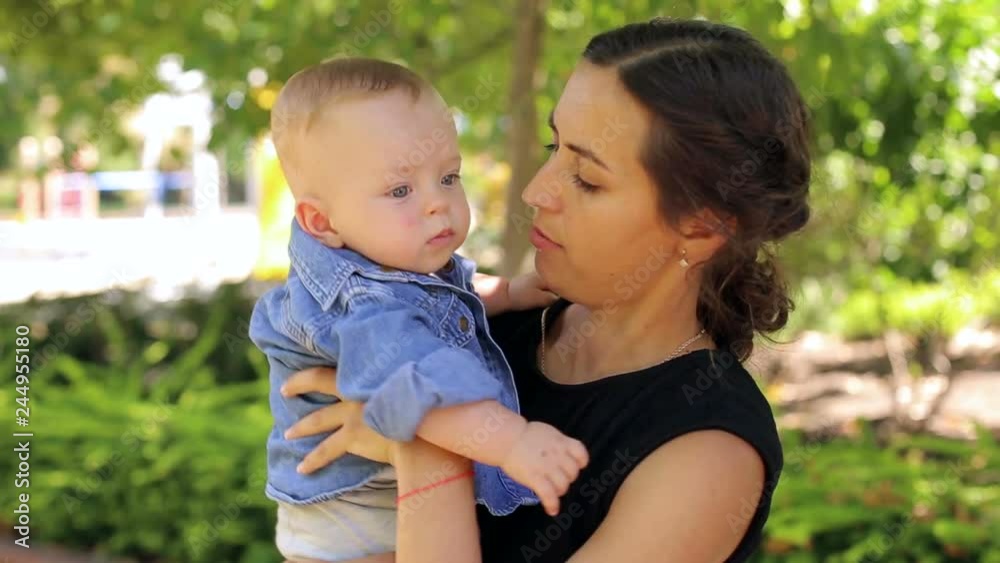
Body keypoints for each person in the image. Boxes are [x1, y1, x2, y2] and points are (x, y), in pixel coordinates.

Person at [280, 17, 812, 563]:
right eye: (552, 146)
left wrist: (426, 446)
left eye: (587, 178)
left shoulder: (706, 451)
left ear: (701, 227)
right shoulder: (473, 323)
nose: (536, 191)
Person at [249, 57, 589, 563]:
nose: (437, 203)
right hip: (353, 523)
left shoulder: (384, 260)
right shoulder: (366, 305)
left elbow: (441, 297)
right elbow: (427, 388)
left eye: (448, 177)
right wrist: (513, 443)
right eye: (400, 190)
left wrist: (508, 293)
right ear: (322, 222)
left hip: (373, 497)